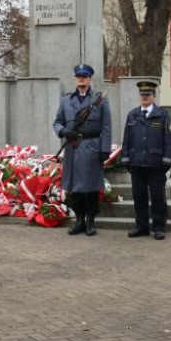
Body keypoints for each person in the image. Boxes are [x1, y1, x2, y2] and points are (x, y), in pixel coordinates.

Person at [53, 64, 111, 236]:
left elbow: (106, 127)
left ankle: (91, 222)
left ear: (90, 79)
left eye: (84, 76)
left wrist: (104, 149)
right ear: (75, 78)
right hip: (73, 148)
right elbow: (57, 122)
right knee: (74, 187)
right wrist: (63, 131)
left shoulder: (99, 100)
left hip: (92, 147)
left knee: (91, 187)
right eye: (78, 76)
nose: (81, 79)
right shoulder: (66, 100)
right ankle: (79, 221)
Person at [121, 79, 171, 240]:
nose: (144, 97)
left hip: (155, 163)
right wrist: (125, 158)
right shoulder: (133, 115)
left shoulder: (163, 116)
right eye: (142, 95)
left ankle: (159, 227)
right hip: (137, 163)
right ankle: (141, 226)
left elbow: (170, 141)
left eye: (148, 94)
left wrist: (167, 160)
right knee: (139, 196)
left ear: (154, 96)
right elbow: (127, 138)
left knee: (158, 196)